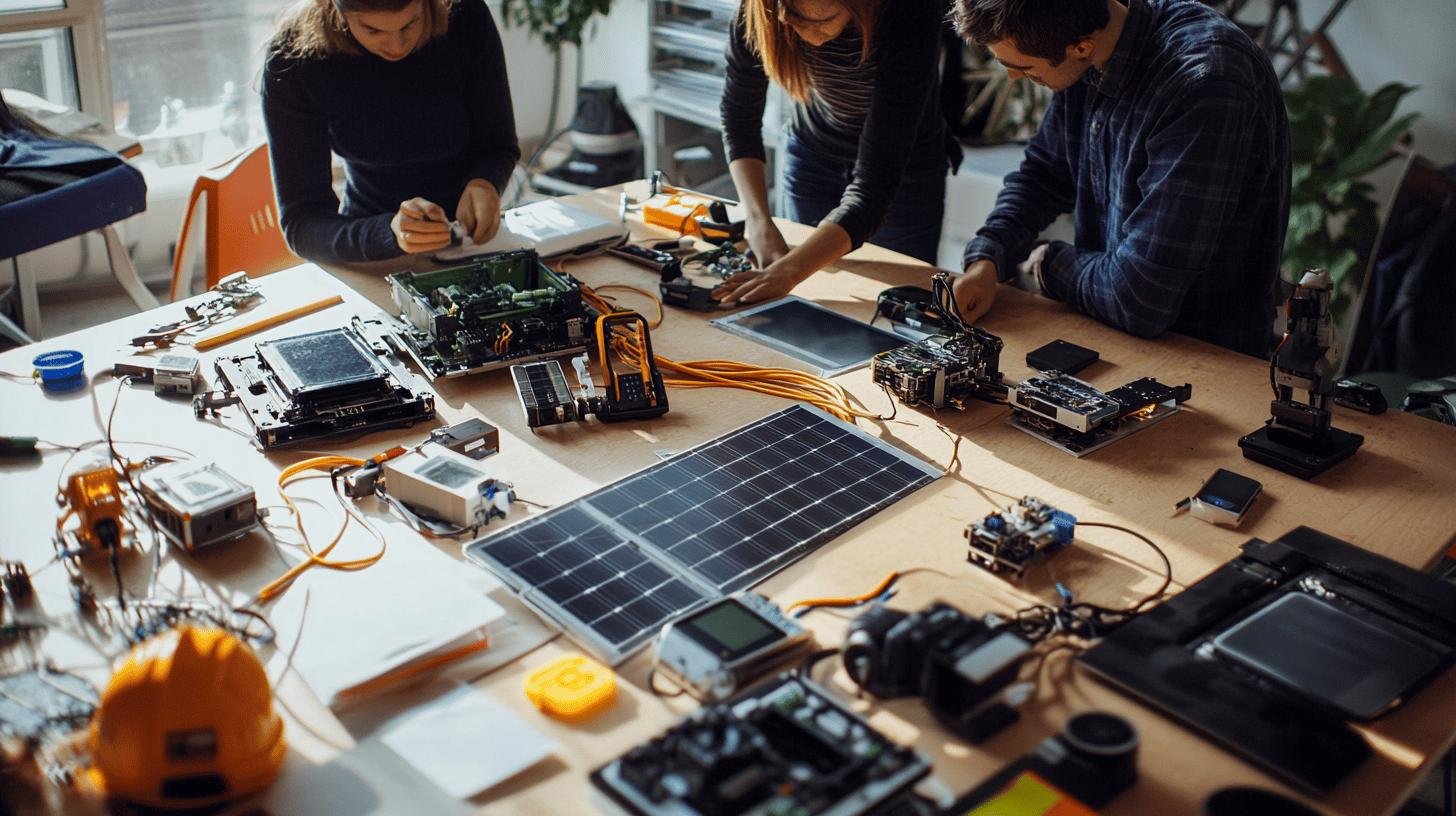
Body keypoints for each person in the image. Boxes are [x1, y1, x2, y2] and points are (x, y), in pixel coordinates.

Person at [951, 0, 1290, 357]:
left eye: (1024, 69)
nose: (1013, 77)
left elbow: (1139, 299)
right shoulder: (1088, 46)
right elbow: (1045, 174)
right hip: (1112, 336)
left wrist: (1046, 264)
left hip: (1206, 359)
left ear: (1080, 47)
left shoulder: (1206, 85)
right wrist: (988, 258)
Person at [714, 0, 961, 305]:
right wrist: (757, 220)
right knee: (806, 303)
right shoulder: (760, 7)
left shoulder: (911, 11)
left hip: (903, 172)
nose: (802, 30)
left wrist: (790, 271)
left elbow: (873, 189)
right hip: (812, 155)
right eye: (790, 16)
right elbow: (739, 116)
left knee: (898, 307)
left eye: (820, 21)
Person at [261, 0, 520, 264]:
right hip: (372, 251)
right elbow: (302, 223)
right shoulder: (293, 60)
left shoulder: (465, 15)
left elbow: (498, 144)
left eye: (411, 23)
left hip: (473, 242)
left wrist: (485, 181)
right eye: (372, 30)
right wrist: (387, 234)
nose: (397, 46)